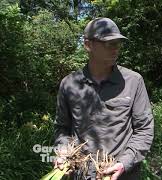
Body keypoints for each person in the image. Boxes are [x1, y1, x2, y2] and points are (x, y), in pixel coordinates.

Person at [53, 17, 154, 180]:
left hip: (122, 175)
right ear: (88, 45)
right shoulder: (69, 84)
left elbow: (144, 130)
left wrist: (124, 163)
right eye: (108, 43)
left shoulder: (133, 81)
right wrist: (64, 152)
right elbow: (62, 128)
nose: (115, 49)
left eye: (117, 43)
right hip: (81, 175)